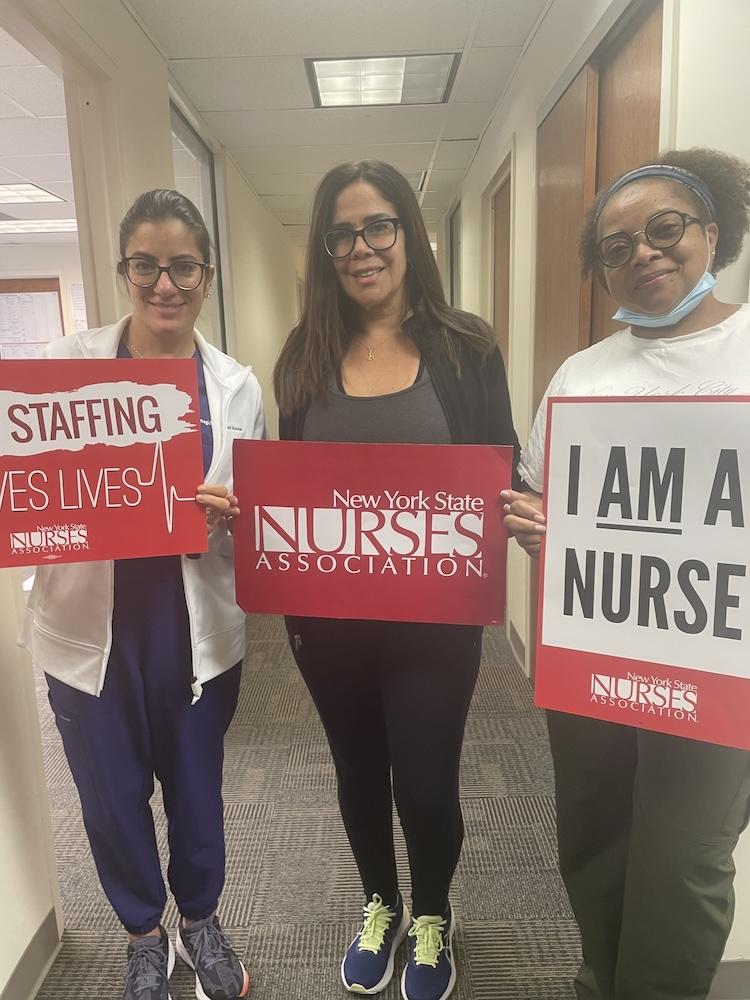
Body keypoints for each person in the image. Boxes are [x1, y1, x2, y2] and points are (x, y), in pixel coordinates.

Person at [503, 148, 750, 1000]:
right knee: (594, 837)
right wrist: (536, 530)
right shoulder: (584, 374)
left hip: (714, 666)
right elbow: (539, 495)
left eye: (665, 229)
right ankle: (599, 981)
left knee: (682, 862)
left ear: (711, 234)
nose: (643, 253)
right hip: (596, 656)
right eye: (616, 246)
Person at [273, 160, 520, 1000]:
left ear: (409, 235)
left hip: (434, 618)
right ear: (325, 248)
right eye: (341, 233)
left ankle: (432, 914)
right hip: (327, 619)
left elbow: (504, 458)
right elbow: (290, 485)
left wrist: (517, 508)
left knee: (424, 775)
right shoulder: (303, 355)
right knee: (356, 767)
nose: (361, 248)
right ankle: (379, 901)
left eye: (379, 226)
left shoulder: (466, 345)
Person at [22, 190, 265, 1000]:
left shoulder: (236, 387)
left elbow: (252, 515)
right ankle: (142, 934)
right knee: (109, 797)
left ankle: (200, 919)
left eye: (183, 266)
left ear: (207, 273)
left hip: (194, 625)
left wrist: (237, 515)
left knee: (196, 790)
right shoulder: (63, 370)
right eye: (145, 266)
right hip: (89, 629)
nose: (165, 284)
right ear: (124, 270)